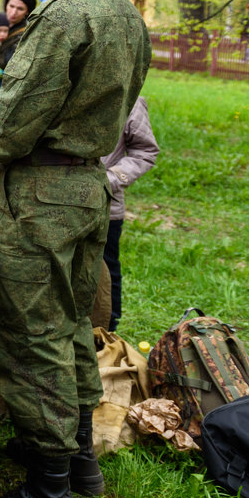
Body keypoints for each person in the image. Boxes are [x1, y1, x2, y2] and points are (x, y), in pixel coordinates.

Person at [0, 0, 151, 498]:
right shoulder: (124, 14)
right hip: (88, 187)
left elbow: (19, 102)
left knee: (33, 336)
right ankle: (73, 463)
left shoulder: (66, 15)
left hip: (44, 192)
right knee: (71, 323)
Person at [102, 97, 158, 333]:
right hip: (53, 202)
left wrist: (109, 180)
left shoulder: (130, 98)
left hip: (106, 207)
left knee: (106, 268)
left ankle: (108, 330)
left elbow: (145, 151)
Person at [0, 0, 36, 70]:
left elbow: (8, 63)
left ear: (27, 12)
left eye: (20, 9)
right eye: (11, 6)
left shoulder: (26, 33)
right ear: (6, 5)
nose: (14, 12)